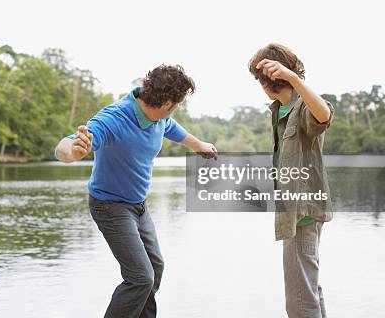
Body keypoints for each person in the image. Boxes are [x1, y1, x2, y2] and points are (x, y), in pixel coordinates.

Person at [54, 64, 217, 318]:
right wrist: (74, 152)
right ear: (165, 102)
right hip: (110, 207)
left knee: (155, 268)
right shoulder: (115, 118)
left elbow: (172, 128)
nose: (177, 109)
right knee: (140, 278)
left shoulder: (159, 118)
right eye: (178, 103)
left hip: (138, 206)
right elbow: (64, 145)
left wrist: (199, 146)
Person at [248, 43, 334, 318]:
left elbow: (324, 115)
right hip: (294, 212)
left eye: (259, 78)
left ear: (268, 80)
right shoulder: (280, 110)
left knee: (298, 298)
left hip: (303, 214)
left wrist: (294, 79)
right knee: (307, 287)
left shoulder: (303, 106)